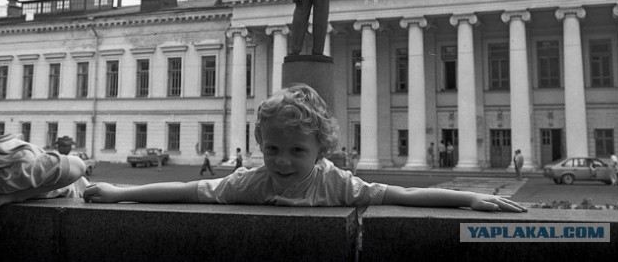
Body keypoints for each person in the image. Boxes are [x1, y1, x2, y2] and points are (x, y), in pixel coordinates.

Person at [83, 84, 526, 213]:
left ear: (321, 151)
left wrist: (469, 198)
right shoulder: (251, 181)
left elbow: (404, 196)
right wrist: (119, 193)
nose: (282, 161)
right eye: (273, 147)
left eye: (297, 151)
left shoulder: (336, 184)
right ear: (258, 143)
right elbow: (184, 190)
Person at [0, 133, 88, 213]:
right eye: (63, 145)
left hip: (70, 193)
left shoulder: (12, 173)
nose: (66, 147)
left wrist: (15, 196)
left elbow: (78, 166)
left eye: (67, 145)